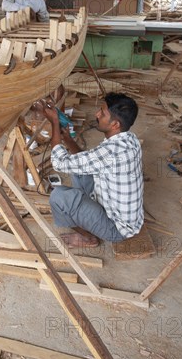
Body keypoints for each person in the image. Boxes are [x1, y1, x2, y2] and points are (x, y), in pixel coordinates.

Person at [41, 92, 144, 247]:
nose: (97, 114)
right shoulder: (129, 139)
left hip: (116, 229)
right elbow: (86, 162)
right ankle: (85, 214)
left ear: (115, 124)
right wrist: (68, 140)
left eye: (102, 113)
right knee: (79, 169)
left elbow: (59, 163)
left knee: (58, 197)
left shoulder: (111, 152)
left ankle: (89, 238)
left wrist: (55, 122)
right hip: (122, 215)